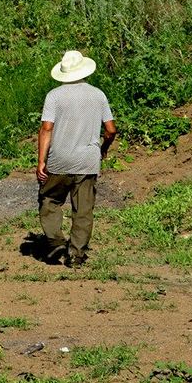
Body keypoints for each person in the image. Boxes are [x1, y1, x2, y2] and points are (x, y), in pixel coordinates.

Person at [36, 50, 116, 268]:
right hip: (87, 161)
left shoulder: (54, 96)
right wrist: (102, 148)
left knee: (50, 199)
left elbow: (46, 128)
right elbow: (110, 129)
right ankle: (77, 255)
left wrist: (41, 160)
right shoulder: (98, 95)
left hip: (59, 159)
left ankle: (55, 241)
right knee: (83, 209)